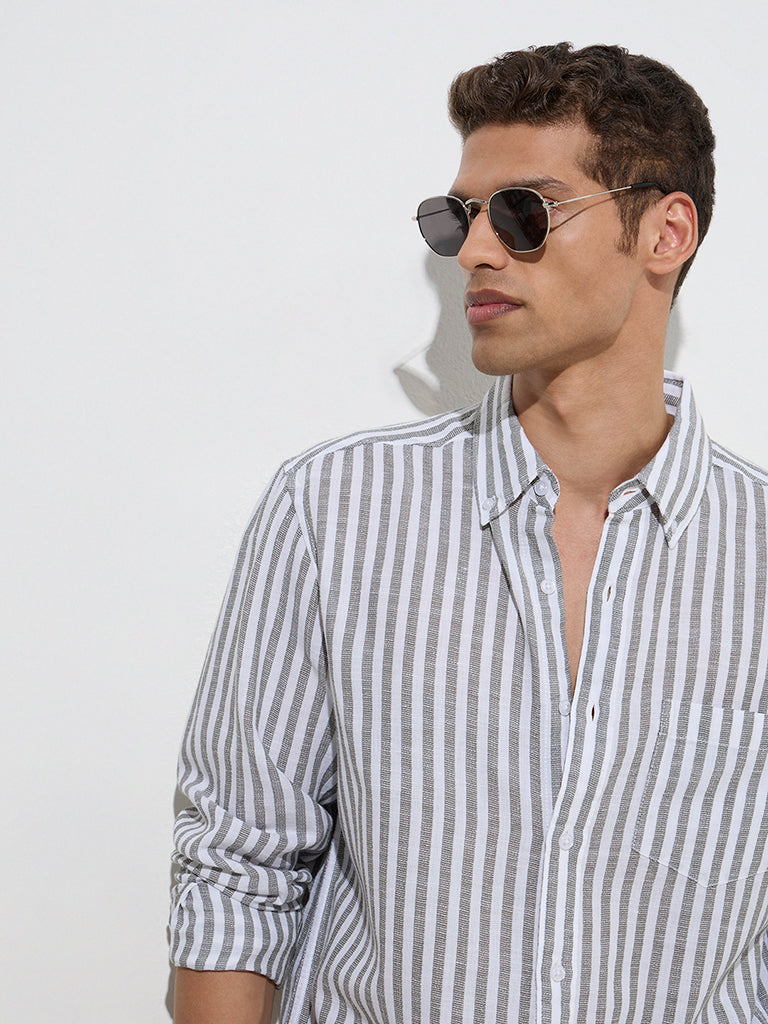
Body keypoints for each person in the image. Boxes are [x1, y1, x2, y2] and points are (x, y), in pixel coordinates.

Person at [169, 42, 768, 1024]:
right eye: (460, 217)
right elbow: (238, 867)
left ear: (666, 233)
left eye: (525, 212)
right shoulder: (337, 510)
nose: (477, 251)